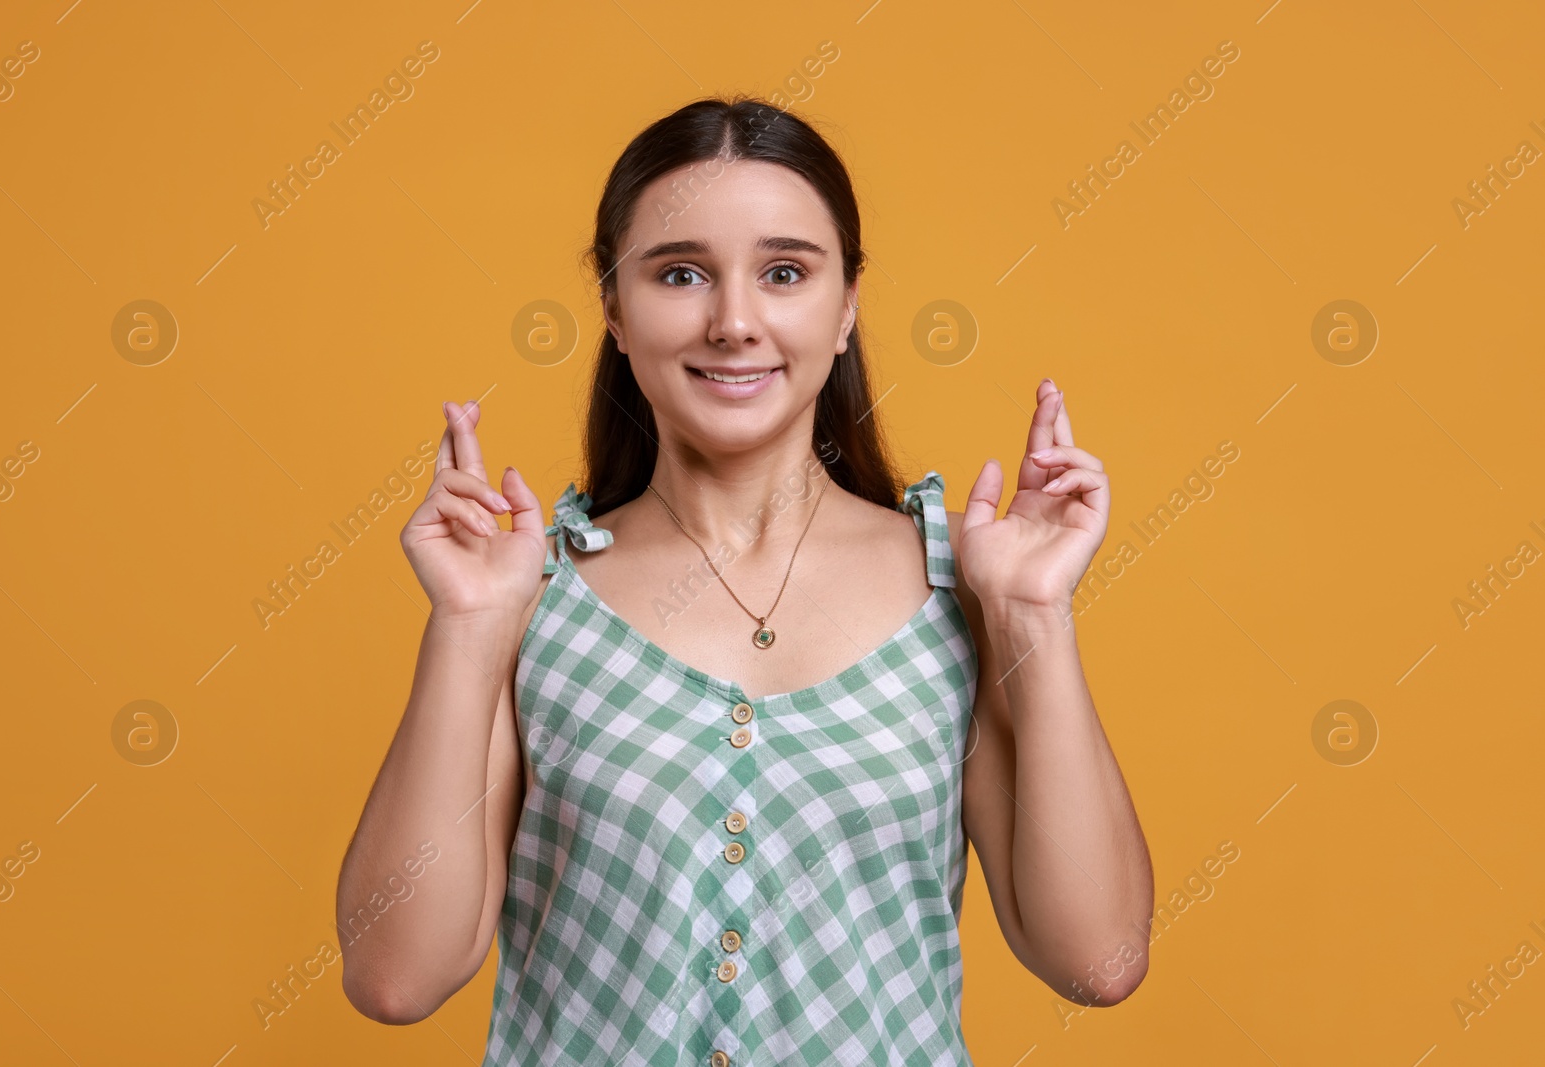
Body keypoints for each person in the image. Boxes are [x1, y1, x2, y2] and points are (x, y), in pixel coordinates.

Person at [337, 95, 1152, 1064]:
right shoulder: (530, 596)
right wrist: (469, 626)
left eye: (783, 273)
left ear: (845, 305)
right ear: (613, 308)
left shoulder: (961, 589)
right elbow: (394, 976)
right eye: (680, 273)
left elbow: (1097, 961)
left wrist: (1031, 615)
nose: (733, 321)